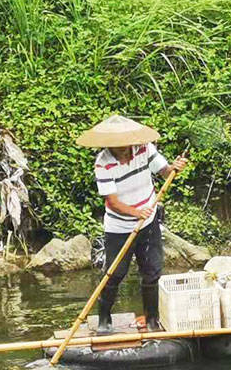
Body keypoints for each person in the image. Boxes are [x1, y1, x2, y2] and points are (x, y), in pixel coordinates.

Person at [76, 115, 188, 334]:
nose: (122, 149)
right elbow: (112, 202)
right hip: (119, 227)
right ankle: (104, 318)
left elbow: (163, 171)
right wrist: (135, 212)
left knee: (152, 270)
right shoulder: (103, 162)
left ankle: (152, 320)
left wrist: (174, 167)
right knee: (115, 273)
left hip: (148, 220)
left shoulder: (144, 149)